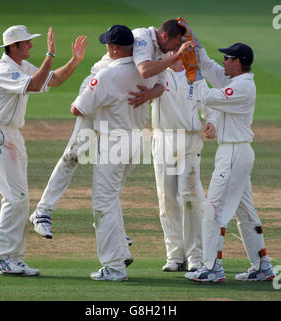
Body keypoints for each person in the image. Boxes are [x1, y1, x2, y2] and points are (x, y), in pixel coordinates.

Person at [30, 18, 187, 238]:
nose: (177, 48)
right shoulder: (141, 38)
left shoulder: (162, 51)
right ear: (164, 36)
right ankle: (42, 212)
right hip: (99, 86)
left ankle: (108, 223)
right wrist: (176, 57)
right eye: (177, 43)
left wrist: (152, 92)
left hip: (123, 93)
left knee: (121, 161)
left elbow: (161, 82)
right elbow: (144, 70)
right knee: (75, 153)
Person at [0, 25, 88, 276]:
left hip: (13, 135)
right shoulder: (2, 69)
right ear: (13, 47)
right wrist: (50, 55)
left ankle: (13, 258)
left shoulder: (21, 67)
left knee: (20, 198)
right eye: (26, 43)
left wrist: (74, 60)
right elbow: (36, 82)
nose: (30, 46)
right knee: (15, 198)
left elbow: (55, 80)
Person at [70, 25, 160, 281]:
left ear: (113, 48)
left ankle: (114, 266)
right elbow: (159, 86)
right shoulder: (146, 69)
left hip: (114, 143)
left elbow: (79, 109)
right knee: (112, 198)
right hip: (137, 140)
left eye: (107, 45)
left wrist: (75, 102)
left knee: (103, 202)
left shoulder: (109, 73)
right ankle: (121, 252)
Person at [180, 41, 276, 282]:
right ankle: (263, 266)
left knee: (212, 208)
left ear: (238, 62)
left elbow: (207, 96)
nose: (223, 61)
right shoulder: (235, 82)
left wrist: (193, 73)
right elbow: (212, 69)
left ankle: (212, 267)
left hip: (233, 154)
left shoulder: (242, 87)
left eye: (228, 58)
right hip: (237, 153)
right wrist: (195, 45)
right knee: (245, 211)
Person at [131, 56, 217, 273]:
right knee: (166, 197)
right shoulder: (158, 72)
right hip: (163, 139)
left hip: (189, 139)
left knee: (189, 196)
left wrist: (212, 122)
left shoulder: (194, 74)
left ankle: (195, 256)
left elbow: (208, 105)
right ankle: (175, 255)